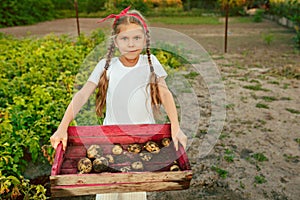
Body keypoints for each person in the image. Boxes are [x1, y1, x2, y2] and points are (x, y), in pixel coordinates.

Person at [50, 6, 187, 200]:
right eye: (125, 38)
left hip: (141, 143)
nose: (131, 44)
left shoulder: (151, 63)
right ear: (115, 41)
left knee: (134, 192)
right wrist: (62, 127)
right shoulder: (107, 66)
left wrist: (176, 127)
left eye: (136, 38)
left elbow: (165, 94)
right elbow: (82, 94)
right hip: (110, 141)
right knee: (108, 191)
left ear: (145, 39)